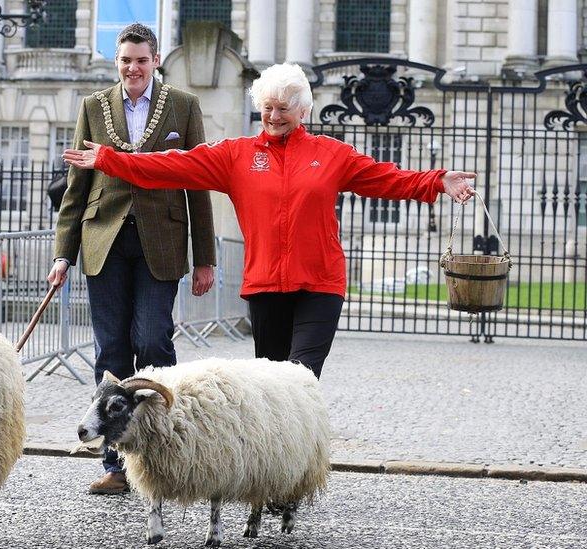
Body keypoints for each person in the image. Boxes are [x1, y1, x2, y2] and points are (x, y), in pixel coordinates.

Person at [64, 62, 476, 381]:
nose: (274, 116)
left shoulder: (332, 154)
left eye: (283, 108)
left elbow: (385, 178)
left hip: (319, 283)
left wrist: (438, 180)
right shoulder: (235, 155)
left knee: (299, 381)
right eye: (267, 108)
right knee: (273, 390)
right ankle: (274, 483)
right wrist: (110, 160)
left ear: (303, 110)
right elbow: (172, 166)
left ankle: (297, 476)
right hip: (266, 286)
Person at [47, 23, 217, 495]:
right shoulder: (93, 107)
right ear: (116, 62)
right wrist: (63, 254)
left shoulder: (183, 106)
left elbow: (198, 184)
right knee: (111, 352)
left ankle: (167, 452)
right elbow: (76, 187)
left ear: (155, 60)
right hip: (104, 241)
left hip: (160, 243)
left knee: (153, 342)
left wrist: (205, 257)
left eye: (141, 60)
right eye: (125, 60)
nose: (133, 68)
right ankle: (115, 464)